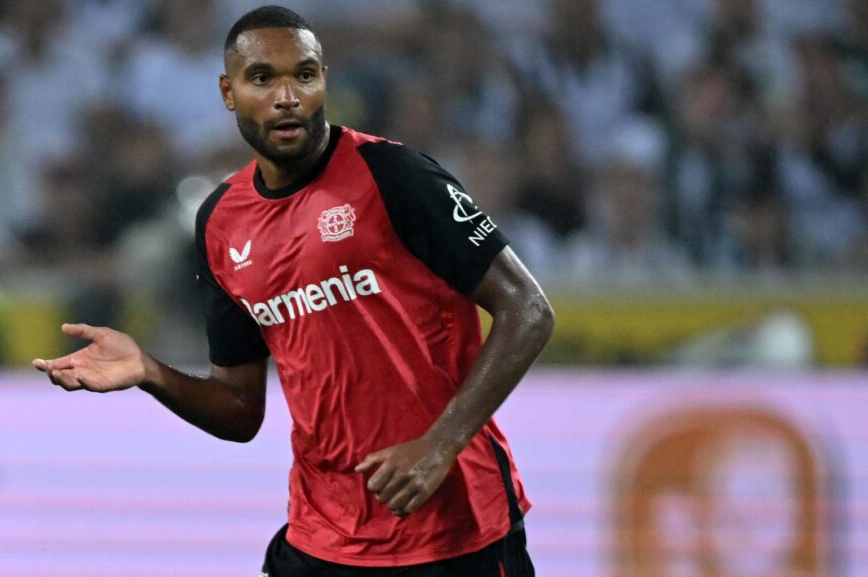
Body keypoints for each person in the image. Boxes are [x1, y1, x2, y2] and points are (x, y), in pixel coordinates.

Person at [32, 5, 554, 576]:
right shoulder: (220, 223)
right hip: (320, 535)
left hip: (452, 532)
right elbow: (239, 406)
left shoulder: (396, 176)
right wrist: (153, 373)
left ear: (324, 80)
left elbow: (528, 310)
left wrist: (440, 444)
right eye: (263, 78)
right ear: (228, 92)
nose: (287, 96)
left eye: (304, 75)